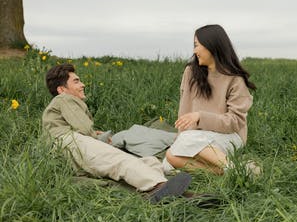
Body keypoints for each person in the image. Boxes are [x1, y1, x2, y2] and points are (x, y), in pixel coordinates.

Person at [42, 63, 191, 204]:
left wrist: (94, 134)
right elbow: (84, 129)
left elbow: (80, 128)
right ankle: (159, 186)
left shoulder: (61, 104)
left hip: (69, 147)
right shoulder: (64, 98)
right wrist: (96, 136)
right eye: (76, 81)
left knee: (149, 161)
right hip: (70, 143)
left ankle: (163, 190)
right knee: (119, 160)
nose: (82, 85)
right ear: (62, 89)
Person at [165, 24, 256, 175]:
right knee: (170, 161)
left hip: (229, 136)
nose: (194, 51)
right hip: (194, 135)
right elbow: (185, 110)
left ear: (211, 46)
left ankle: (230, 168)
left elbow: (235, 122)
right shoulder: (190, 72)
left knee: (182, 148)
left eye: (197, 45)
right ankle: (236, 171)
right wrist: (181, 138)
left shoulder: (235, 79)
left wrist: (201, 117)